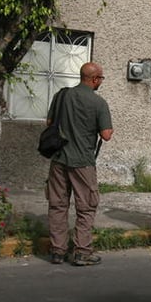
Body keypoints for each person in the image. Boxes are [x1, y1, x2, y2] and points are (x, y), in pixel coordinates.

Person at [45, 62, 113, 266]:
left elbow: (49, 123)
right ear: (94, 79)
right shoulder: (98, 102)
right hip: (83, 162)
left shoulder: (61, 95)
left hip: (58, 160)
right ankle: (82, 252)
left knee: (57, 205)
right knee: (86, 206)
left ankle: (58, 251)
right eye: (100, 78)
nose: (101, 82)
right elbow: (106, 135)